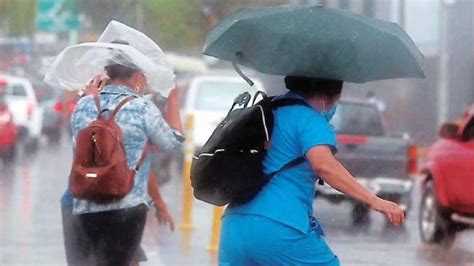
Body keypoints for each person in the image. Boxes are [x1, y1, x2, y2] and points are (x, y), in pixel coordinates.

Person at [218, 76, 405, 266]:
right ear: (327, 97)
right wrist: (374, 200)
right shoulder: (309, 119)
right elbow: (324, 165)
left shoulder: (267, 111)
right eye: (336, 100)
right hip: (280, 228)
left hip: (234, 227)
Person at [69, 61, 183, 266]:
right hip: (126, 208)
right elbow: (172, 144)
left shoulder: (83, 105)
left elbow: (78, 150)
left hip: (85, 204)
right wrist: (173, 99)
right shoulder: (141, 107)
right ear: (137, 76)